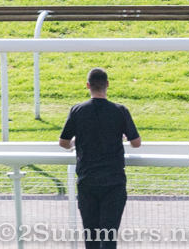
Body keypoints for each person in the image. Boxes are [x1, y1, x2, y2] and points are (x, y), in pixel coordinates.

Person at [59, 68, 141, 249]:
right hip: (114, 182)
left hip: (87, 181)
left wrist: (74, 142)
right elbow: (136, 142)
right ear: (107, 85)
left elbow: (64, 142)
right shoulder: (120, 111)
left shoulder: (78, 110)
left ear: (88, 85)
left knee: (91, 238)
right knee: (109, 237)